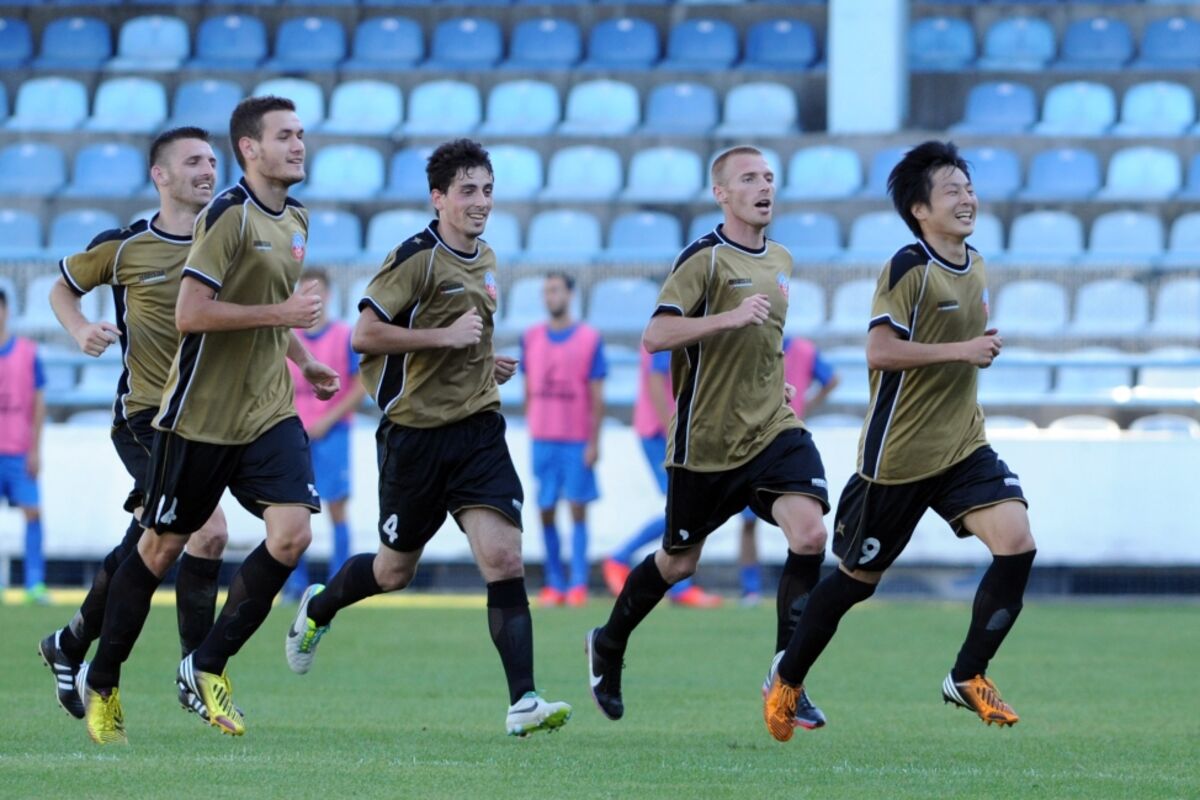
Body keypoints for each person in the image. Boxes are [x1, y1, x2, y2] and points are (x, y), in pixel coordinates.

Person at [284, 139, 572, 738]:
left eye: (487, 190)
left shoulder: (487, 257)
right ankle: (319, 606)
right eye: (467, 191)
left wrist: (485, 361)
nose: (481, 202)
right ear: (438, 198)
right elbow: (365, 335)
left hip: (478, 431)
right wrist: (444, 339)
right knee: (394, 572)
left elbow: (468, 337)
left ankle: (523, 700)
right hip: (414, 439)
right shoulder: (415, 257)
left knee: (505, 557)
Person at [77, 96, 340, 745]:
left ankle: (206, 663)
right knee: (160, 548)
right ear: (250, 148)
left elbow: (268, 306)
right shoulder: (226, 215)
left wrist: (305, 362)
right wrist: (283, 316)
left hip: (267, 411)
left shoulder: (297, 218)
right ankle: (102, 679)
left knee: (292, 535)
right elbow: (191, 313)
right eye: (285, 135)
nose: (299, 145)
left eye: (301, 134)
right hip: (198, 416)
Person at [762, 140, 1037, 743]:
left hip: (962, 446)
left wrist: (971, 351)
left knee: (1017, 543)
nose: (967, 198)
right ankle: (787, 679)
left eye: (969, 188)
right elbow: (880, 351)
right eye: (952, 190)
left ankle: (967, 675)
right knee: (856, 583)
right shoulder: (908, 268)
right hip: (897, 459)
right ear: (919, 209)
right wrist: (963, 350)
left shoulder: (976, 263)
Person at [585, 145, 831, 731]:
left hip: (771, 429)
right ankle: (608, 642)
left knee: (811, 533)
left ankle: (787, 678)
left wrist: (773, 382)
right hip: (706, 444)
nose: (764, 187)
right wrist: (728, 317)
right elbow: (655, 335)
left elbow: (764, 342)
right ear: (721, 194)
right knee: (678, 562)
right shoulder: (704, 259)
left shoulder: (782, 259)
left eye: (769, 177)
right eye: (749, 178)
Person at [41, 127, 230, 725]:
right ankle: (198, 671)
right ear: (161, 175)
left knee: (147, 543)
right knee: (206, 531)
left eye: (211, 160)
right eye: (193, 161)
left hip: (208, 421)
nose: (207, 169)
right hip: (145, 419)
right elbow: (62, 289)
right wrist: (80, 330)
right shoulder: (124, 247)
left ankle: (70, 642)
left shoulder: (227, 240)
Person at [601, 344, 721, 609]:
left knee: (686, 507)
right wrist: (673, 430)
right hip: (660, 432)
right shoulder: (674, 328)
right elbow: (656, 380)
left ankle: (666, 579)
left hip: (667, 430)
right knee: (683, 507)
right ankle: (624, 560)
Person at [521, 272, 606, 607]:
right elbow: (528, 389)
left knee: (577, 508)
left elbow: (597, 396)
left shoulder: (589, 339)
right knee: (545, 508)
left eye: (555, 290)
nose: (550, 296)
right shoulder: (531, 338)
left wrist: (594, 442)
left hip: (575, 439)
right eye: (546, 291)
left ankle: (578, 582)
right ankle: (554, 581)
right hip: (543, 439)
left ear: (570, 295)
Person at [283, 268, 366, 601]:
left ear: (328, 296)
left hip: (334, 432)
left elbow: (360, 386)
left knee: (336, 506)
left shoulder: (345, 336)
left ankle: (338, 583)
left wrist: (328, 420)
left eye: (317, 293)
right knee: (292, 509)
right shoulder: (287, 337)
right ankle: (294, 584)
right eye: (304, 293)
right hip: (293, 433)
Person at [738, 338, 840, 605]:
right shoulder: (749, 343)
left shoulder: (802, 349)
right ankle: (751, 587)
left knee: (802, 527)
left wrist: (805, 406)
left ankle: (790, 593)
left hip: (786, 441)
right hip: (753, 441)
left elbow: (832, 380)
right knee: (748, 522)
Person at [0, 287, 46, 605]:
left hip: (18, 449)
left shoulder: (28, 352)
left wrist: (35, 449)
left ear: (6, 311)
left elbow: (39, 402)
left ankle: (34, 583)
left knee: (33, 512)